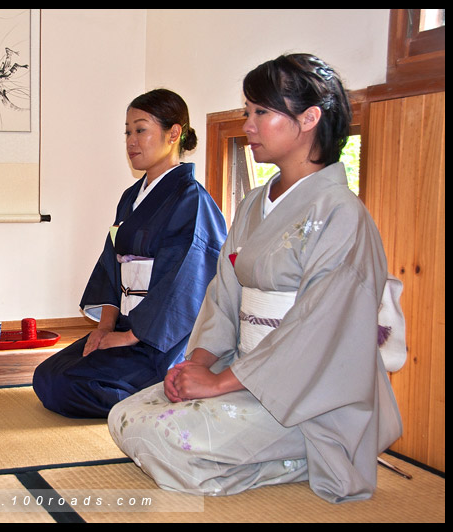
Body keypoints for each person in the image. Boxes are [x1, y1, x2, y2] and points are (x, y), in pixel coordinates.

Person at [108, 54, 404, 503]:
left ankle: (317, 451)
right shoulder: (252, 204)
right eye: (247, 112)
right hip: (246, 374)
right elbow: (223, 298)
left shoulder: (342, 215)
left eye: (260, 112)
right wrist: (200, 365)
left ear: (309, 118)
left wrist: (220, 384)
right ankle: (258, 451)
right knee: (125, 416)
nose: (247, 125)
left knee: (167, 439)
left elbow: (317, 333)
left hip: (310, 396)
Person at [33, 89, 227, 418]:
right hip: (123, 328)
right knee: (46, 375)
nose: (131, 141)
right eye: (127, 132)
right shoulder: (130, 197)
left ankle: (160, 390)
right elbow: (111, 265)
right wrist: (105, 329)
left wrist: (130, 337)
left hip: (157, 341)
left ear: (174, 133)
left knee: (69, 385)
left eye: (140, 130)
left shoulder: (192, 201)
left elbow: (182, 283)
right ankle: (144, 390)